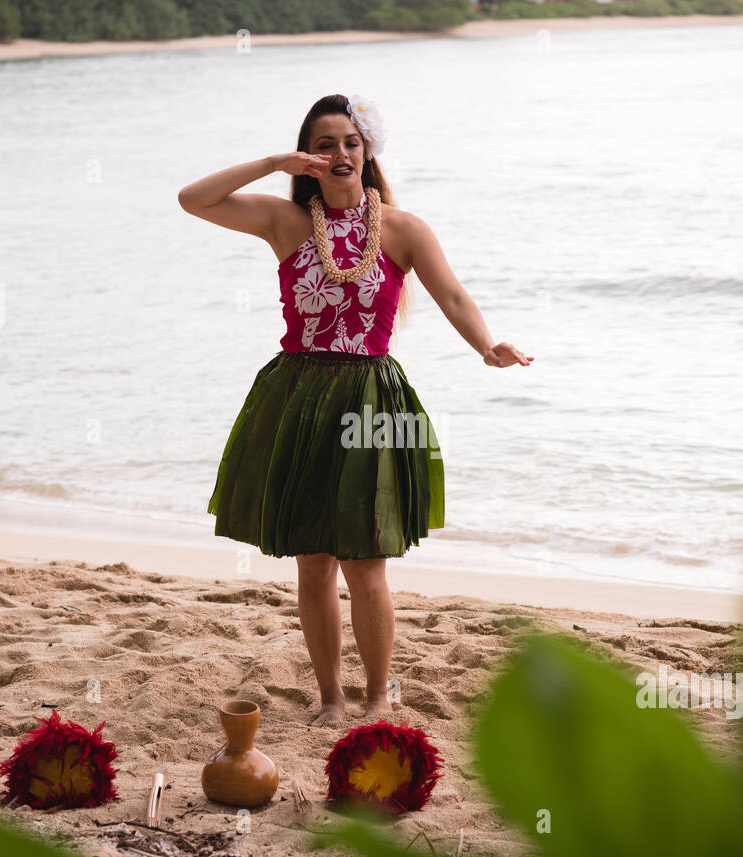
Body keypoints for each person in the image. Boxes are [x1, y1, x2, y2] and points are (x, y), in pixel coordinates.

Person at [178, 93, 532, 726]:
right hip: (300, 394)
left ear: (367, 151)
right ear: (307, 155)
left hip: (371, 397)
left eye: (349, 142)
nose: (338, 154)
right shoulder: (284, 221)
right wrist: (269, 161)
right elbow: (192, 199)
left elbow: (451, 293)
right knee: (313, 562)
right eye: (323, 144)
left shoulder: (402, 228)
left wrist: (487, 345)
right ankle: (332, 699)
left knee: (367, 562)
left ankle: (375, 699)